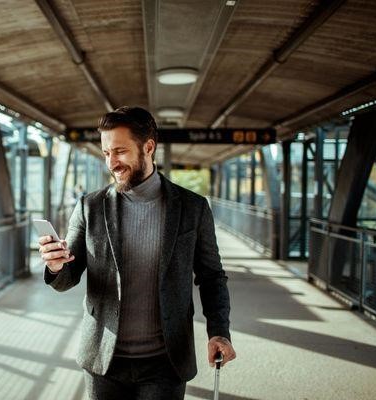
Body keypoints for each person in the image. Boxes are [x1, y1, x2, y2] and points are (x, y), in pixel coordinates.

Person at [38, 106, 235, 399]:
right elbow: (68, 277)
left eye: (119, 151)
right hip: (103, 361)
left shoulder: (193, 208)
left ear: (149, 147)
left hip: (165, 363)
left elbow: (212, 277)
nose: (111, 163)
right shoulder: (89, 207)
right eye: (106, 153)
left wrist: (218, 332)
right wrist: (55, 265)